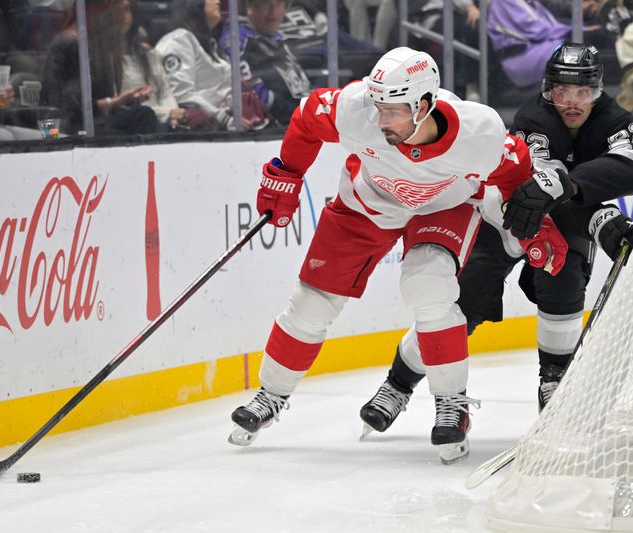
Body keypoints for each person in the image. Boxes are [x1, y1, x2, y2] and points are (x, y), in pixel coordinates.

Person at [226, 47, 570, 464]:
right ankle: (271, 395)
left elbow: (514, 177)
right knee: (310, 304)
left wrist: (536, 225)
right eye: (378, 106)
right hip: (366, 205)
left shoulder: (478, 132)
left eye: (392, 111)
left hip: (444, 207)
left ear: (424, 105)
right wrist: (286, 173)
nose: (380, 119)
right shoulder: (358, 108)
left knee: (428, 288)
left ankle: (452, 405)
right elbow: (306, 118)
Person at [359, 43, 633, 439]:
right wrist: (599, 216)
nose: (572, 102)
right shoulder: (533, 117)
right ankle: (398, 383)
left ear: (597, 91)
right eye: (562, 91)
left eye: (582, 92)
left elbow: (629, 172)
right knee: (459, 308)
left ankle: (555, 382)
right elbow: (539, 191)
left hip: (562, 227)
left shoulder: (615, 119)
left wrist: (586, 205)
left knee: (563, 284)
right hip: (504, 221)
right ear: (548, 90)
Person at [42, 0, 158, 135]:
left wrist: (125, 100)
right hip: (66, 129)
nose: (125, 17)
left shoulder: (99, 45)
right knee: (141, 117)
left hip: (94, 121)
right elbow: (72, 109)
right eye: (120, 10)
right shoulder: (74, 42)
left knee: (142, 115)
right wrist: (114, 101)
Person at [155, 0, 258, 131]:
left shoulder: (208, 42)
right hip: (204, 129)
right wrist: (225, 119)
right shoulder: (178, 40)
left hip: (227, 122)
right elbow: (183, 96)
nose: (218, 1)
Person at [218, 0, 311, 125]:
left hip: (299, 119)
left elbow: (301, 86)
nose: (273, 11)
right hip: (275, 128)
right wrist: (296, 113)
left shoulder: (278, 37)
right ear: (250, 6)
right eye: (265, 4)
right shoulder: (236, 38)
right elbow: (252, 93)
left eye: (278, 3)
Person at [121, 0, 187, 130]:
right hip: (133, 129)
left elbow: (165, 93)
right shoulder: (104, 61)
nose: (122, 16)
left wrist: (174, 115)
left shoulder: (150, 55)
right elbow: (118, 108)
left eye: (126, 9)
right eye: (117, 11)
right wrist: (167, 114)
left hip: (165, 125)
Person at [487, 0, 572, 89]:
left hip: (536, 47)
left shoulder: (532, 3)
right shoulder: (504, 1)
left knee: (580, 46)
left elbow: (552, 27)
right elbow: (538, 31)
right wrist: (579, 32)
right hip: (520, 57)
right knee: (575, 51)